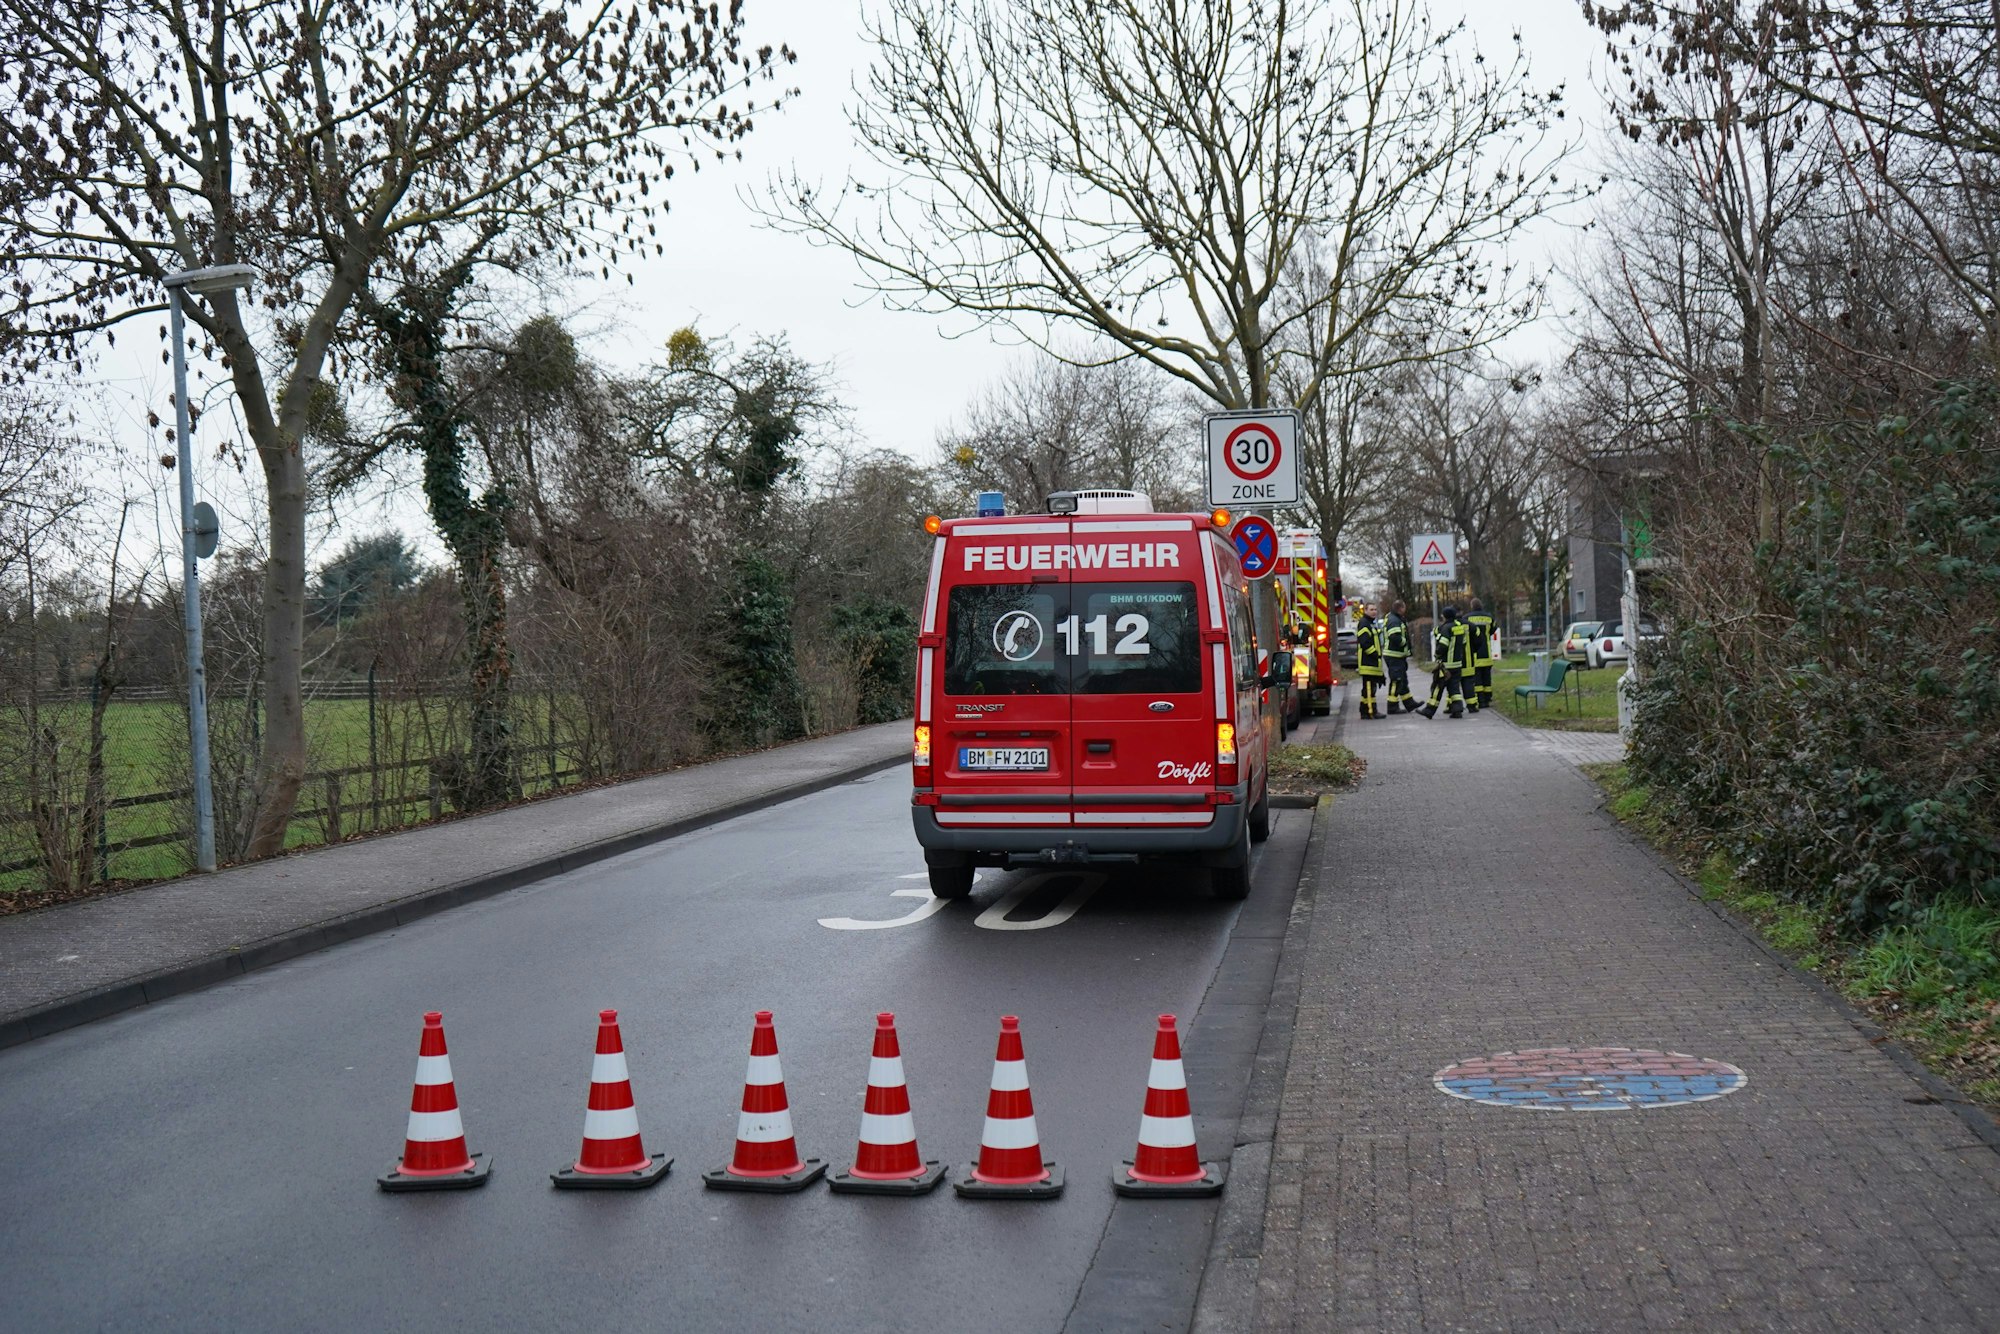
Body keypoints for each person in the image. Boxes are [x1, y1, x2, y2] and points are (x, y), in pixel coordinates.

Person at [1419, 604, 1468, 719]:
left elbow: (1443, 646)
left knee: (1437, 687)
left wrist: (1437, 654)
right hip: (1457, 664)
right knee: (1454, 688)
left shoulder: (1446, 628)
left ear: (1444, 616)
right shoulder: (1459, 626)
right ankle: (1457, 710)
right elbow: (1464, 643)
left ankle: (1429, 710)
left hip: (1446, 665)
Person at [1463, 598, 1497, 713]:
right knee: (1487, 678)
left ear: (1471, 606)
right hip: (1486, 653)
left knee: (1477, 679)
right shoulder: (1489, 617)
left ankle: (1480, 700)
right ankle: (1487, 699)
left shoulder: (1467, 618)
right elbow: (1493, 630)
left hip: (1475, 654)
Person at [1382, 600, 1415, 714]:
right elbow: (1394, 637)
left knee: (1402, 680)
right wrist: (1404, 643)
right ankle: (1392, 706)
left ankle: (1410, 703)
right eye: (1404, 608)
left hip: (1397, 656)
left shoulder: (1395, 618)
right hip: (1394, 655)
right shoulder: (1394, 620)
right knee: (1397, 681)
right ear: (1401, 608)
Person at [1352, 605, 1384, 719]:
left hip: (1371, 663)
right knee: (1370, 689)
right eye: (1371, 609)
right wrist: (1375, 654)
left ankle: (1364, 711)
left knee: (1367, 689)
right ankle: (1371, 712)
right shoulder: (1364, 623)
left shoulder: (1370, 623)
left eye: (1375, 609)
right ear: (1365, 611)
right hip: (1368, 663)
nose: (1374, 612)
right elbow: (1365, 643)